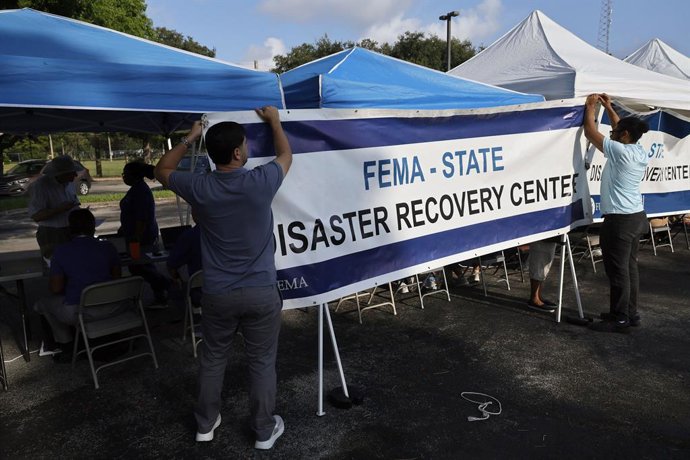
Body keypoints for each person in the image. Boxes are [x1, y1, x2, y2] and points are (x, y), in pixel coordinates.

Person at [154, 106, 292, 449]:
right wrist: (274, 121)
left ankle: (205, 425)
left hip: (217, 293)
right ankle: (263, 431)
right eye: (244, 145)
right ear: (236, 152)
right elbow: (286, 153)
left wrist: (190, 136)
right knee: (261, 363)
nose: (247, 150)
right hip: (261, 291)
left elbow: (161, 168)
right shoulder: (260, 181)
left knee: (213, 359)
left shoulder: (199, 186)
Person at [583, 93, 650, 333]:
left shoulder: (621, 152)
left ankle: (619, 318)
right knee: (629, 268)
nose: (612, 133)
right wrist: (609, 107)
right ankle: (629, 313)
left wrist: (591, 107)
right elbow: (617, 125)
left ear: (624, 136)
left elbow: (591, 133)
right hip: (635, 217)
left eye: (615, 133)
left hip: (620, 220)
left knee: (618, 270)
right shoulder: (638, 149)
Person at [33, 208, 123, 357]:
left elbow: (56, 288)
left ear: (70, 229)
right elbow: (116, 278)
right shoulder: (108, 247)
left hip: (82, 311)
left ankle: (65, 345)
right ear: (93, 226)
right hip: (114, 306)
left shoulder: (61, 251)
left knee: (42, 304)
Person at [118, 161, 169, 306]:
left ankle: (166, 285)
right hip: (135, 235)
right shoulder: (136, 189)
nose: (123, 177)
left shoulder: (140, 191)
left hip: (141, 237)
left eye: (125, 174)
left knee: (139, 266)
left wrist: (136, 237)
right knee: (143, 267)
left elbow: (141, 218)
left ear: (133, 175)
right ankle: (160, 296)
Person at [28, 155, 81, 262]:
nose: (75, 175)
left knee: (74, 263)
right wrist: (59, 209)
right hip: (51, 234)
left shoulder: (69, 183)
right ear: (61, 174)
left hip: (71, 230)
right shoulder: (41, 186)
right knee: (56, 265)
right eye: (71, 172)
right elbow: (36, 216)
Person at [166, 213, 202, 306]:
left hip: (202, 291)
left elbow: (172, 264)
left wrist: (177, 279)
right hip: (230, 285)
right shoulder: (227, 232)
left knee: (173, 288)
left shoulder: (190, 236)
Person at [526, 240, 557, 313]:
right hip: (541, 236)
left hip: (551, 236)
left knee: (544, 266)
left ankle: (538, 296)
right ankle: (534, 299)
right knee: (538, 264)